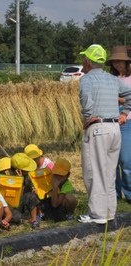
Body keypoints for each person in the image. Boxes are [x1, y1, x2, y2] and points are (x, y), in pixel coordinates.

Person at [78, 44, 131, 224]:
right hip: (115, 129)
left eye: (84, 60)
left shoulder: (87, 79)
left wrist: (87, 117)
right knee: (109, 173)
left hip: (98, 128)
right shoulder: (112, 79)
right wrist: (124, 112)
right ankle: (109, 212)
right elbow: (130, 93)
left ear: (88, 62)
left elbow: (86, 99)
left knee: (94, 171)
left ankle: (97, 214)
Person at [107, 46, 131, 203]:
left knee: (126, 160)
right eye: (115, 61)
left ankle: (129, 193)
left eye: (120, 61)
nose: (117, 64)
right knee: (112, 161)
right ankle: (115, 193)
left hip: (127, 121)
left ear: (126, 62)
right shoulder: (110, 77)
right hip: (110, 121)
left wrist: (119, 99)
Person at [11, 153, 40, 229]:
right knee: (15, 215)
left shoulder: (27, 177)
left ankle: (34, 219)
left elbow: (27, 196)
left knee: (31, 196)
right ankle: (23, 219)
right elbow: (16, 199)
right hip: (14, 206)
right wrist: (19, 183)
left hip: (24, 205)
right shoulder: (9, 179)